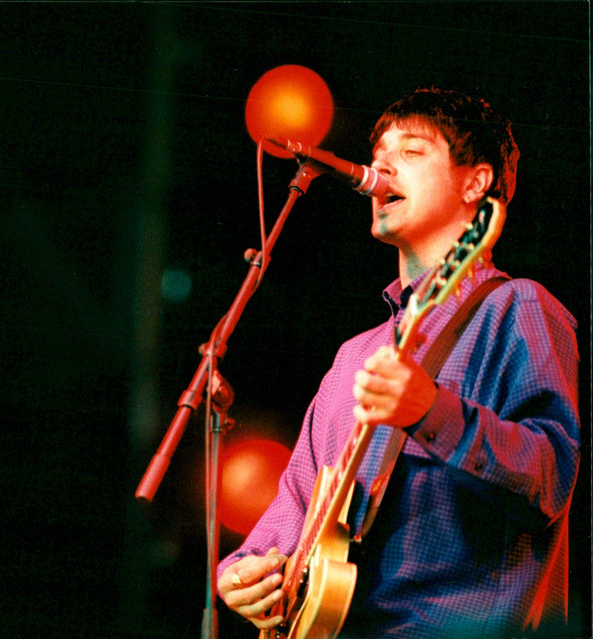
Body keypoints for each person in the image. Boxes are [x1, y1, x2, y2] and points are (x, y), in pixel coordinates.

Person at [216, 88, 580, 638]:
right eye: (379, 152)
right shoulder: (355, 356)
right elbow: (297, 501)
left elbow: (551, 475)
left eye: (411, 151)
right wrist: (243, 572)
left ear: (475, 184)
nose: (380, 166)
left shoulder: (517, 306)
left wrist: (431, 411)